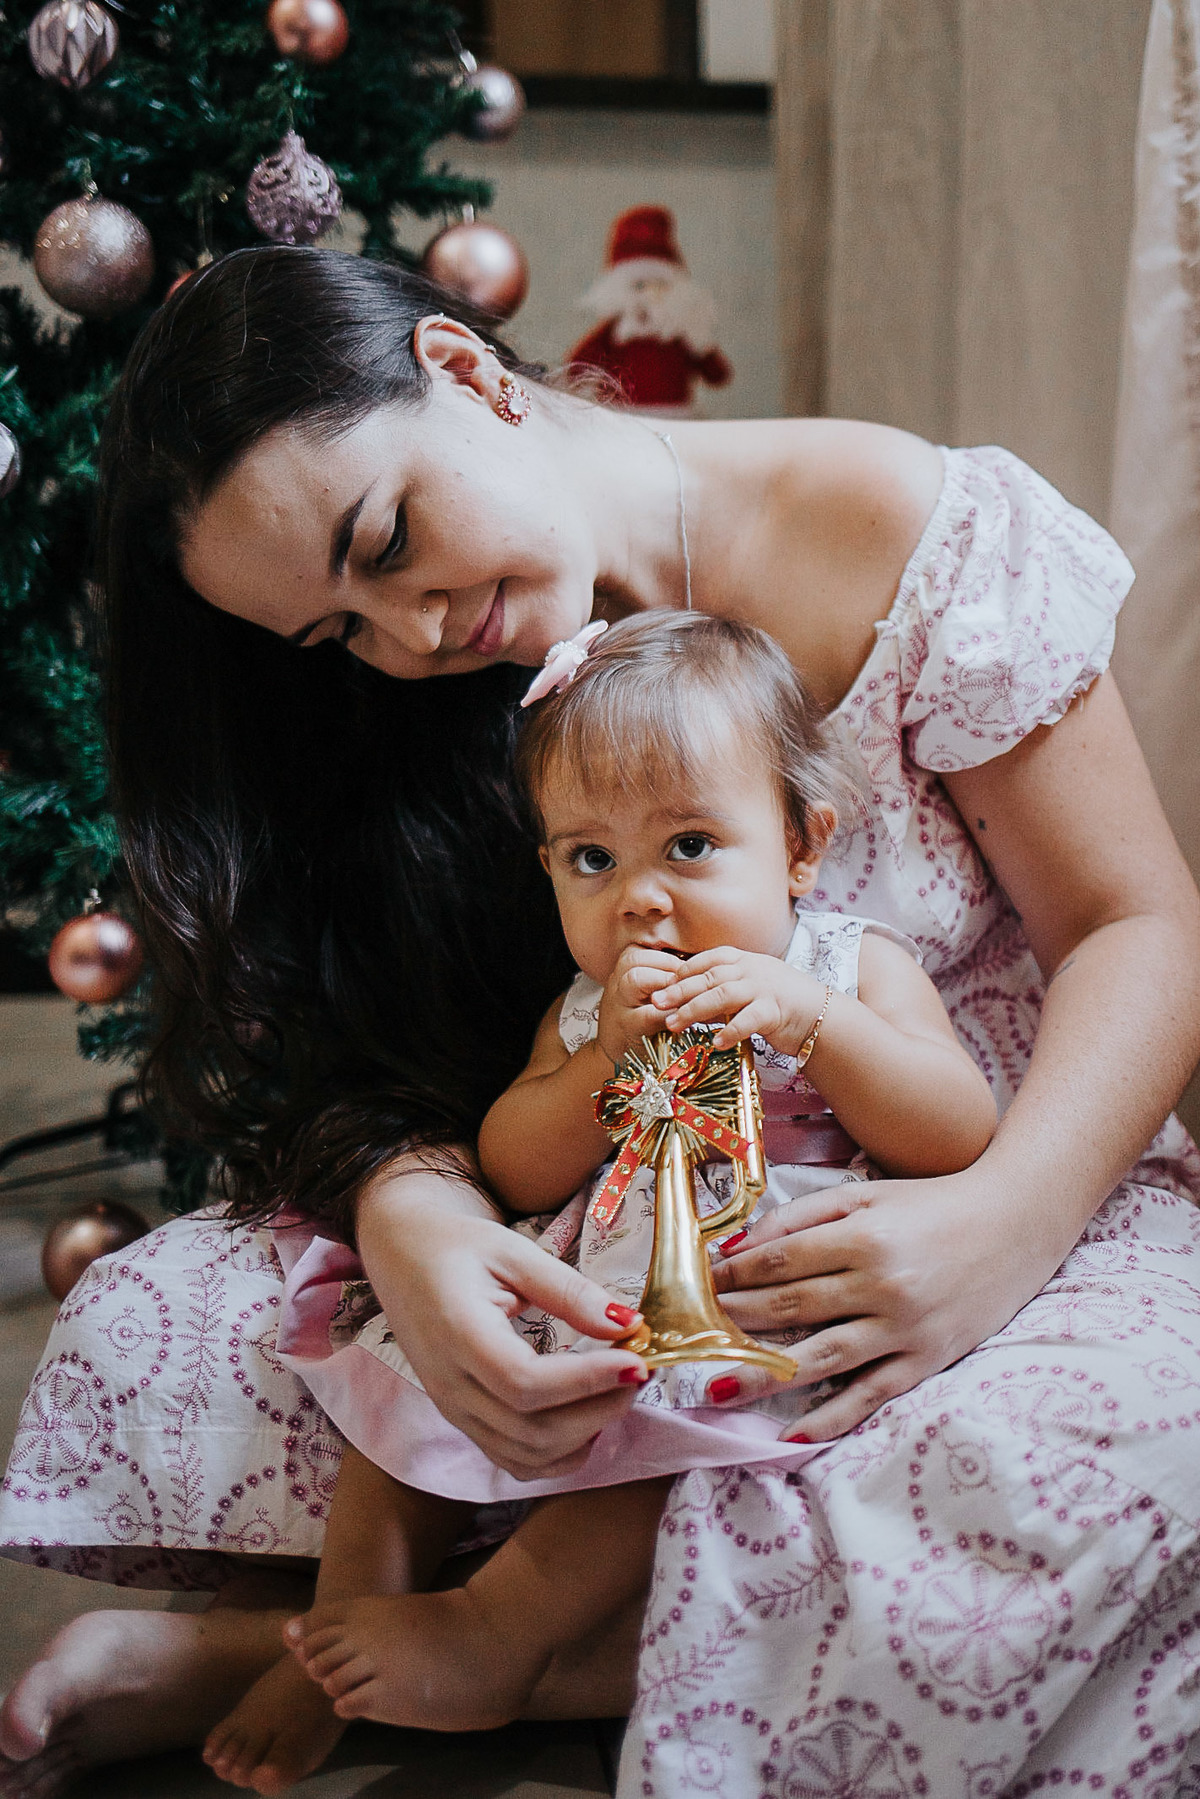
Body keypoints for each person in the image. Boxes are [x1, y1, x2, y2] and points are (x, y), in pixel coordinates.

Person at [0, 245, 1198, 1799]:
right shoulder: (423, 689)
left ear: (467, 370)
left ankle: (373, 1653)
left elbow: (1136, 923)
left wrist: (999, 1228)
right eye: (340, 629)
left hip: (994, 1180)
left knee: (1069, 1459)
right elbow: (412, 1066)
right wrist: (418, 1225)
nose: (413, 634)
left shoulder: (900, 529)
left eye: (389, 538)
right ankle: (451, 1628)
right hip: (612, 1225)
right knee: (171, 1321)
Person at [201, 612, 998, 1792]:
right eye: (592, 859)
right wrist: (599, 1065)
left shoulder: (846, 965)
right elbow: (515, 1166)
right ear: (548, 868)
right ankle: (338, 1626)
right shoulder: (584, 1007)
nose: (639, 900)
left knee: (662, 1442)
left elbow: (959, 1126)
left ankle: (497, 1632)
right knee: (408, 1382)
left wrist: (816, 1026)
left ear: (800, 844)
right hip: (594, 1274)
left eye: (689, 845)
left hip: (749, 1283)